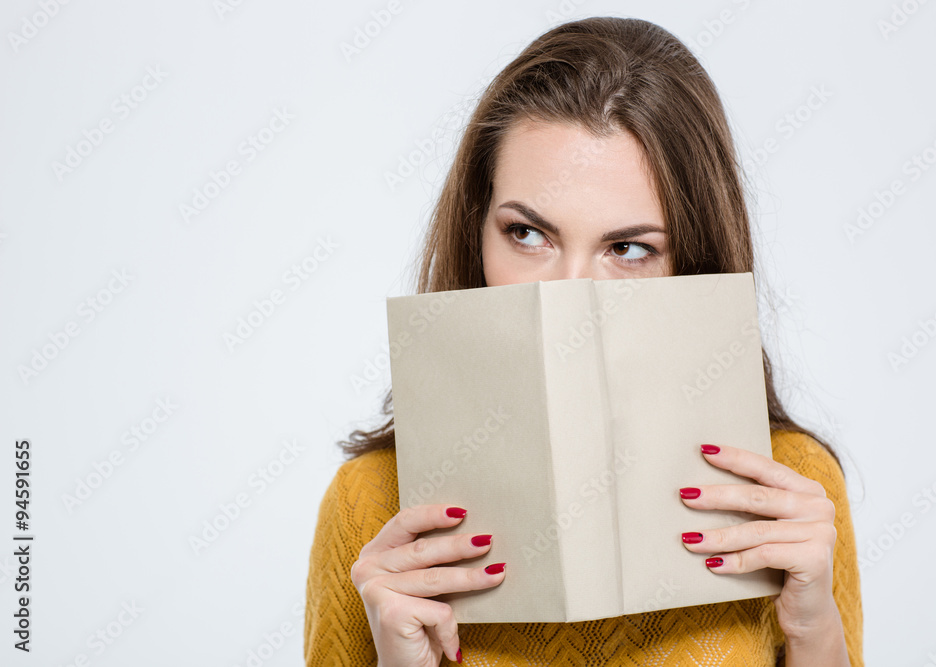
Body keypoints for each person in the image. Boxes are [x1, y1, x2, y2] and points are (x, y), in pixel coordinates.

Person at [305, 15, 863, 667]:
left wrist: (815, 631)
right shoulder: (370, 503)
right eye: (528, 234)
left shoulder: (793, 491)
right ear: (476, 228)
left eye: (627, 248)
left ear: (694, 262)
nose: (569, 294)